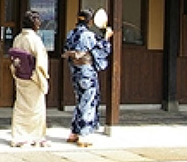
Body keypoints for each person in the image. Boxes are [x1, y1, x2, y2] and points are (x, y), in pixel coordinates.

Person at [62, 8, 114, 147]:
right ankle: (83, 134)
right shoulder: (88, 35)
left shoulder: (70, 33)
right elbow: (102, 49)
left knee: (80, 100)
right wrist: (106, 37)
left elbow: (67, 50)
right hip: (86, 71)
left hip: (74, 70)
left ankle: (74, 132)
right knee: (88, 101)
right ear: (90, 21)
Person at [10, 10, 50, 147]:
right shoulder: (34, 39)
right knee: (36, 108)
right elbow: (41, 62)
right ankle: (36, 136)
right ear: (34, 24)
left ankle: (19, 136)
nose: (39, 24)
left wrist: (16, 71)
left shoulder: (18, 38)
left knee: (21, 107)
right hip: (33, 77)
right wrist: (42, 77)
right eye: (38, 22)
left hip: (21, 76)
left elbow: (14, 58)